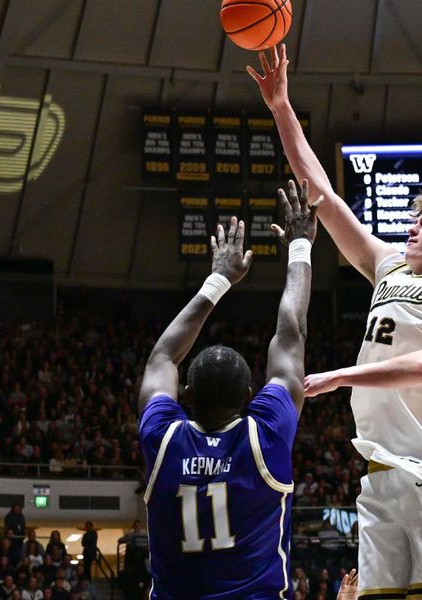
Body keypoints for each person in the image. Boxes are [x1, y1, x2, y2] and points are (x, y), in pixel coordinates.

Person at [249, 44, 422, 600]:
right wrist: (282, 107)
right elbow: (325, 198)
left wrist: (340, 376)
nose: (411, 228)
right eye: (412, 220)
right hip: (381, 475)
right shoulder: (387, 266)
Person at [138, 181, 318, 598]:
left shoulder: (162, 437)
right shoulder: (265, 434)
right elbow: (292, 335)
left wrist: (218, 281)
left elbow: (162, 357)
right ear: (250, 396)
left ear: (186, 395)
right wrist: (299, 247)